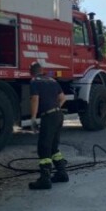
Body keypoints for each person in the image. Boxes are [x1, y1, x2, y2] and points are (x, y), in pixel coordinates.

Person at [28, 61, 68, 190]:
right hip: (58, 115)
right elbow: (63, 98)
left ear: (31, 72)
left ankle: (45, 179)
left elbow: (35, 99)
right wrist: (55, 108)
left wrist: (33, 118)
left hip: (48, 117)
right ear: (42, 70)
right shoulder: (52, 80)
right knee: (53, 146)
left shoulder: (34, 81)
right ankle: (62, 173)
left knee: (44, 147)